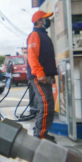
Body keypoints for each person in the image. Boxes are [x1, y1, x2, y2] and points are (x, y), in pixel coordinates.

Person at [27, 11, 58, 142]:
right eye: (46, 19)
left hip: (45, 75)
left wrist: (51, 74)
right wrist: (39, 73)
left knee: (48, 104)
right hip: (38, 76)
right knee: (45, 104)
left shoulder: (43, 35)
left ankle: (43, 133)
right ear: (39, 21)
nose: (48, 20)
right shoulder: (35, 35)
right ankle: (39, 135)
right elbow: (32, 56)